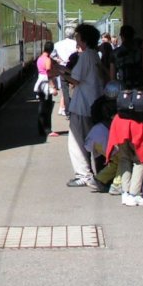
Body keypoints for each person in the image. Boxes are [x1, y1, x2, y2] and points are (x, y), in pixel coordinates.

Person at [61, 23, 105, 187]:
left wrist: (60, 73)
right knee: (93, 141)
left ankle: (84, 175)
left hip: (81, 105)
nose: (76, 40)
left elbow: (76, 79)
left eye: (78, 37)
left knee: (77, 142)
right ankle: (96, 174)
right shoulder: (94, 55)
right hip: (93, 104)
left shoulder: (85, 56)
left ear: (84, 39)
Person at [107, 110, 143, 206]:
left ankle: (125, 193)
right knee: (140, 161)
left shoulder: (123, 107)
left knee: (124, 159)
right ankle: (134, 194)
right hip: (138, 126)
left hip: (119, 123)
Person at [34, 41, 60, 137]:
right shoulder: (48, 60)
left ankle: (41, 129)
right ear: (51, 49)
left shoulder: (40, 58)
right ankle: (48, 130)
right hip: (46, 84)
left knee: (42, 107)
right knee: (47, 108)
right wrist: (53, 87)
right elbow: (48, 73)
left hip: (40, 83)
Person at [52, 25, 77, 116]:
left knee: (65, 91)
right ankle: (74, 108)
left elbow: (52, 56)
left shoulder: (58, 44)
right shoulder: (76, 44)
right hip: (74, 68)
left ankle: (67, 110)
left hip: (62, 69)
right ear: (73, 34)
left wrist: (58, 60)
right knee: (74, 89)